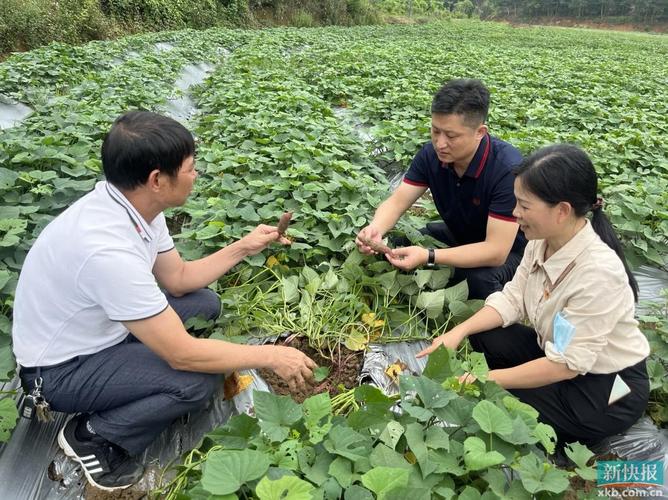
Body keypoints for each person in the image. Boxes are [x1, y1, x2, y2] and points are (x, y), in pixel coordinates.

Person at [12, 111, 316, 492]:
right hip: (59, 370)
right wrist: (270, 356)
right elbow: (182, 355)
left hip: (100, 330)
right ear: (157, 179)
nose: (197, 175)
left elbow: (179, 279)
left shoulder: (135, 205)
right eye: (191, 167)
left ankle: (126, 379)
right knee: (195, 381)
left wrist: (245, 246)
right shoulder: (106, 250)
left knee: (203, 303)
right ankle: (91, 436)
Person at [417, 144, 650, 448]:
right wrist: (457, 332)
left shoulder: (599, 273)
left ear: (562, 211)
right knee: (485, 335)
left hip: (608, 387)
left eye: (525, 206)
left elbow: (566, 365)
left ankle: (568, 429)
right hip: (558, 353)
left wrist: (491, 379)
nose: (515, 213)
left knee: (502, 400)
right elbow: (511, 299)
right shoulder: (539, 243)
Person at [356, 79, 526, 299]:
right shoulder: (431, 155)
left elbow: (496, 251)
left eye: (451, 136)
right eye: (435, 131)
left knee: (477, 281)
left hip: (510, 252)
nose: (440, 143)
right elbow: (397, 202)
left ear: (480, 132)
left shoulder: (505, 169)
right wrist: (375, 230)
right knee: (397, 242)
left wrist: (430, 256)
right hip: (461, 236)